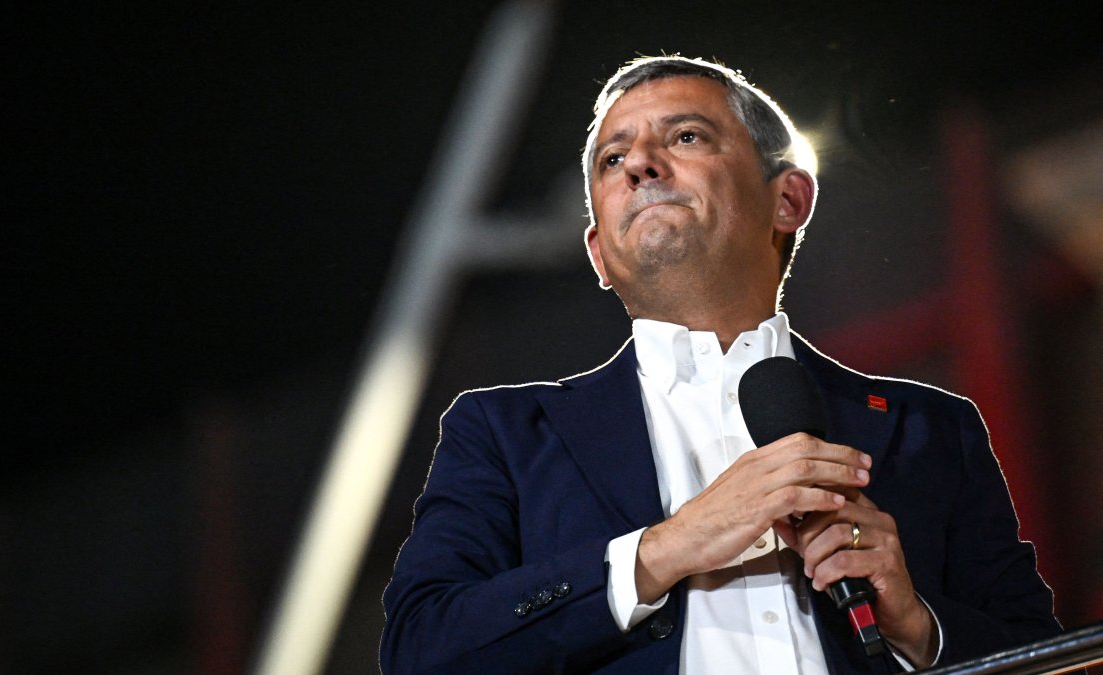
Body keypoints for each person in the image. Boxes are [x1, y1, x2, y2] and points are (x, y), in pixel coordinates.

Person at [380, 55, 1060, 674]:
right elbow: (422, 648)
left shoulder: (930, 429)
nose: (641, 165)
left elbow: (1049, 660)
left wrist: (918, 626)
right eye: (613, 160)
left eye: (684, 137)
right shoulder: (503, 431)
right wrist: (668, 547)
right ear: (598, 253)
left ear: (788, 200)